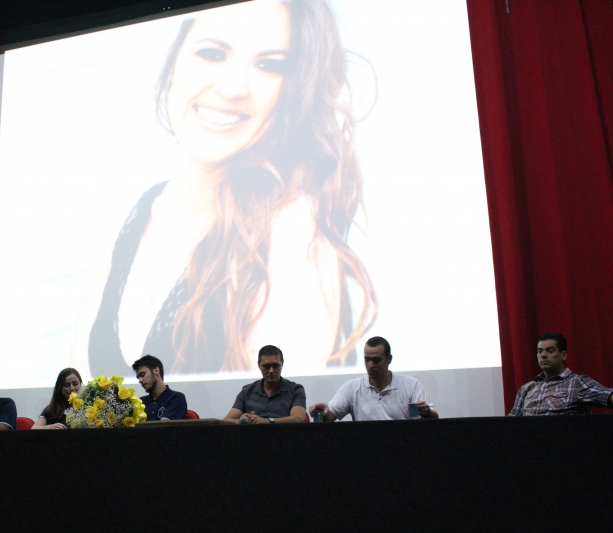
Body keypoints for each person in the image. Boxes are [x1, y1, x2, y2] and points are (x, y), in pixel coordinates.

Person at [80, 0, 377, 378]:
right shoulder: (127, 221)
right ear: (173, 64)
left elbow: (275, 407)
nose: (233, 87)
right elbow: (74, 396)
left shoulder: (291, 229)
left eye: (268, 65)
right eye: (212, 53)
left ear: (292, 90)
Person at [309, 336, 438, 421]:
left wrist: (427, 412)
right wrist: (322, 412)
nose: (370, 365)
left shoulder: (410, 385)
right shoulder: (352, 388)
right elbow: (329, 417)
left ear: (389, 359)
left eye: (376, 360)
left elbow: (434, 420)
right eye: (367, 360)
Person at [508, 332, 613, 416]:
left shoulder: (576, 382)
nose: (543, 355)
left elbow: (607, 395)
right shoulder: (527, 388)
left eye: (550, 351)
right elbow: (511, 422)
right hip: (528, 436)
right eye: (540, 351)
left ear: (563, 355)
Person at [223, 345, 306, 424]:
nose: (271, 371)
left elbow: (298, 419)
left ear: (282, 365)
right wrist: (241, 421)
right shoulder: (247, 391)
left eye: (275, 366)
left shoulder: (296, 390)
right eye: (266, 366)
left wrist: (268, 421)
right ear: (259, 366)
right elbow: (227, 419)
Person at [132, 355, 188, 421]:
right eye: (138, 378)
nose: (140, 380)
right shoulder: (141, 402)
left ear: (156, 371)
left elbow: (164, 426)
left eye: (142, 375)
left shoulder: (176, 398)